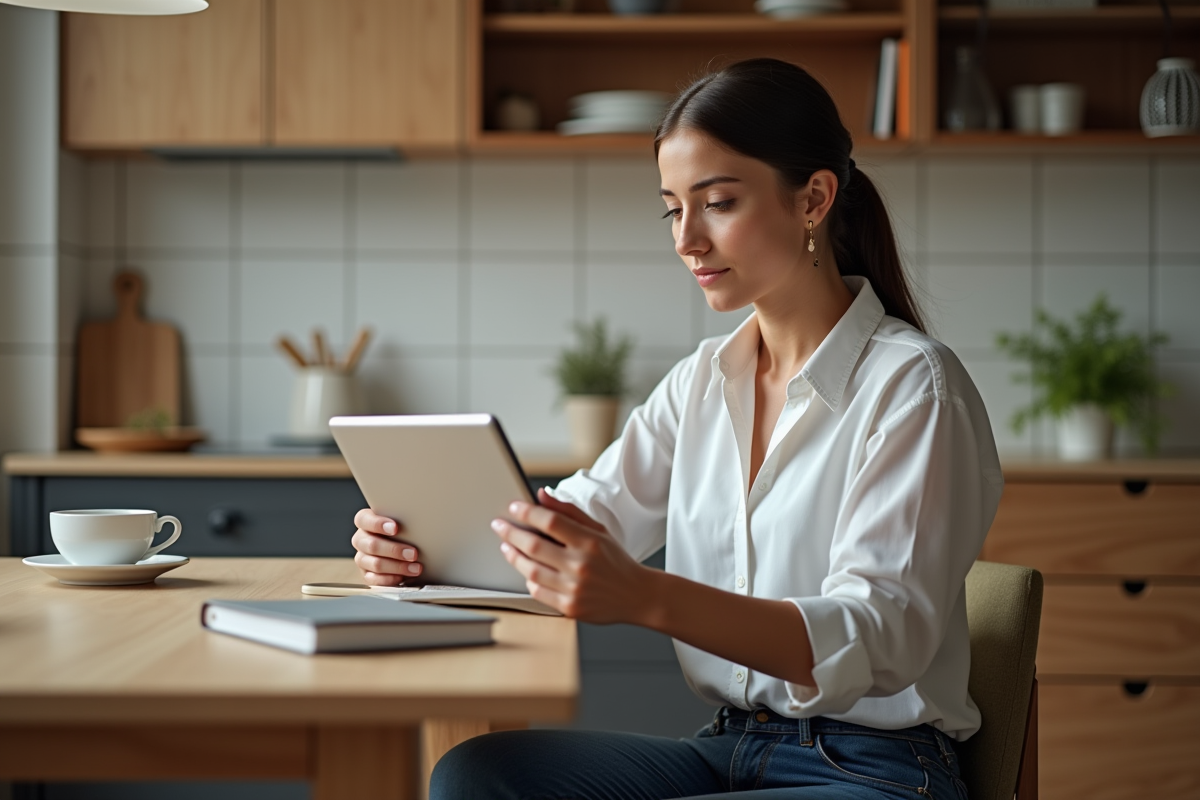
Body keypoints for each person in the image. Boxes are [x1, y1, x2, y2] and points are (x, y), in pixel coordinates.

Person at [351, 57, 1002, 800]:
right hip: (731, 748)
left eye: (718, 202)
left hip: (876, 771)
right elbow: (583, 522)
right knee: (478, 775)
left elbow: (881, 634)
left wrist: (645, 596)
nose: (686, 239)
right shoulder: (702, 380)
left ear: (814, 198)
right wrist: (425, 549)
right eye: (672, 208)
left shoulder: (913, 386)